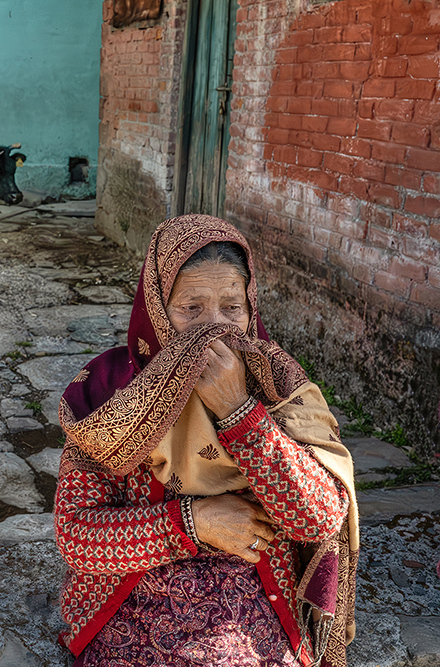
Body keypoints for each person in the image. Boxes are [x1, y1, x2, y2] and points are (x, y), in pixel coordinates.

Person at [55, 215, 359, 667]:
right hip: (136, 596)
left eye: (231, 308)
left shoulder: (276, 384)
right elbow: (76, 535)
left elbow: (317, 519)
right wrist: (191, 523)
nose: (215, 329)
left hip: (254, 597)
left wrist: (239, 411)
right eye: (191, 309)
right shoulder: (114, 395)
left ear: (251, 307)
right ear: (158, 310)